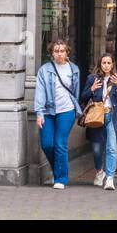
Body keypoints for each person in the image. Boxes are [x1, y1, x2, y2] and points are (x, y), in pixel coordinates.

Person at [34, 39, 82, 189]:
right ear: (51, 53)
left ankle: (61, 178)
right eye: (56, 51)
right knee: (47, 144)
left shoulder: (74, 69)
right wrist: (39, 113)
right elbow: (40, 92)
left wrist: (75, 108)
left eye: (62, 51)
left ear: (67, 52)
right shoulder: (45, 70)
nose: (59, 54)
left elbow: (75, 91)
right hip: (48, 111)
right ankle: (58, 169)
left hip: (66, 110)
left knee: (60, 144)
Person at [80, 54, 117, 190]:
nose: (106, 65)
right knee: (97, 150)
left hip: (112, 117)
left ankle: (110, 178)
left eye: (108, 63)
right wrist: (91, 89)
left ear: (112, 64)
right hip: (97, 116)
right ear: (100, 64)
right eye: (103, 63)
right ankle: (99, 171)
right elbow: (83, 97)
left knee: (112, 148)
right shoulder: (92, 78)